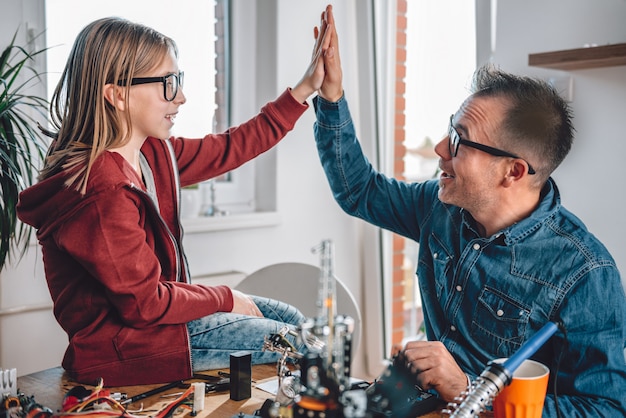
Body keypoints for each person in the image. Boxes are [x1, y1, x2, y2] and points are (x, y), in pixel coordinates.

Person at [312, 6, 626, 416]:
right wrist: (331, 96)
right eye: (449, 129)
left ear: (512, 171)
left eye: (459, 141)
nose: (441, 149)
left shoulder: (584, 274)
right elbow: (360, 190)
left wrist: (469, 389)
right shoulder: (438, 207)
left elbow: (603, 409)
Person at [16, 13, 333, 386]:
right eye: (167, 83)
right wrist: (224, 297)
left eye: (177, 81)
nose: (180, 97)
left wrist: (305, 88)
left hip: (166, 323)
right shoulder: (101, 190)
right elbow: (145, 303)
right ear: (117, 94)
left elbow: (230, 148)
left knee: (297, 322)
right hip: (133, 346)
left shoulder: (150, 152)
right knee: (306, 344)